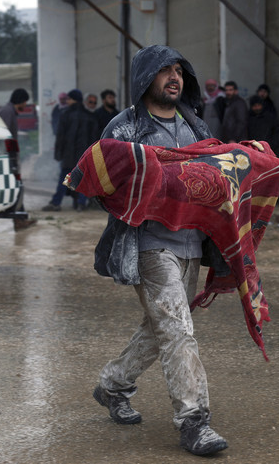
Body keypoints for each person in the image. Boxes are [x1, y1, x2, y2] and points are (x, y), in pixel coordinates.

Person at [91, 44, 228, 456]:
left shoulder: (196, 127)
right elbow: (102, 184)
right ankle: (194, 421)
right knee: (179, 331)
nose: (174, 78)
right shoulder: (124, 128)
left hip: (190, 244)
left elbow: (218, 179)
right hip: (150, 245)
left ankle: (112, 385)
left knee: (161, 328)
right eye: (164, 71)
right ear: (144, 78)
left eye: (179, 71)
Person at [42, 89, 99, 212]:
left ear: (74, 100)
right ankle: (81, 204)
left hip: (68, 156)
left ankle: (56, 203)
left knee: (64, 180)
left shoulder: (65, 115)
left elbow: (60, 137)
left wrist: (58, 153)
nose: (67, 101)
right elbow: (94, 139)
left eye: (69, 98)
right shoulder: (89, 116)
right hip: (84, 156)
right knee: (83, 180)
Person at [0, 88, 38, 230]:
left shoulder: (9, 111)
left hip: (10, 156)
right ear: (20, 100)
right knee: (17, 187)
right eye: (25, 102)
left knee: (17, 187)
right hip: (8, 158)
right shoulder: (7, 112)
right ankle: (19, 220)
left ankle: (19, 219)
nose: (25, 105)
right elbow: (4, 136)